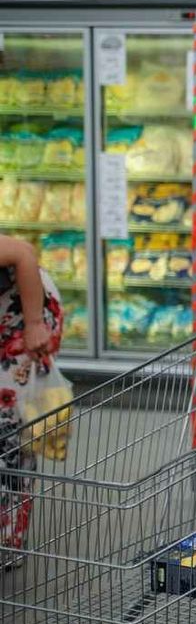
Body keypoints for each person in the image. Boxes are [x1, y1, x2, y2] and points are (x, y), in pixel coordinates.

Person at [0, 235, 64, 559]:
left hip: (24, 309)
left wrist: (35, 324)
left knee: (12, 428)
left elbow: (23, 253)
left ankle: (11, 540)